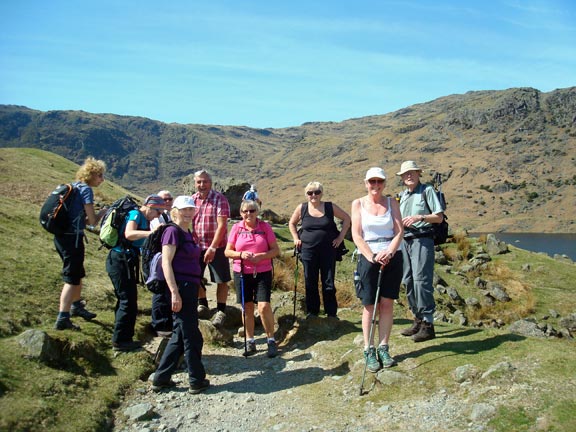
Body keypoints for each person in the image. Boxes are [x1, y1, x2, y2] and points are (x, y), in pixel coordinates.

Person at [152, 196, 210, 394]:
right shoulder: (171, 231)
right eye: (184, 209)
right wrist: (174, 292)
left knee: (179, 333)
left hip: (189, 286)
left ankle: (161, 377)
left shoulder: (187, 232)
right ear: (175, 210)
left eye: (191, 210)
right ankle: (196, 379)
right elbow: (166, 263)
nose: (188, 213)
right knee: (191, 334)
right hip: (180, 287)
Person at [351, 167, 403, 372]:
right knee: (369, 305)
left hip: (392, 257)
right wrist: (372, 256)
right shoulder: (358, 204)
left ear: (384, 183)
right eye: (371, 181)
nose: (375, 185)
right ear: (366, 183)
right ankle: (369, 349)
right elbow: (356, 234)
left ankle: (383, 347)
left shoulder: (392, 203)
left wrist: (389, 252)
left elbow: (399, 232)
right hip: (368, 257)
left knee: (387, 303)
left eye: (379, 181)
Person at [53, 157, 107, 330]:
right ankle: (63, 317)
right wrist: (103, 213)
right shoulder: (85, 190)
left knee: (77, 273)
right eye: (99, 175)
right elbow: (91, 221)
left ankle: (77, 306)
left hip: (61, 236)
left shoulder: (72, 187)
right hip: (72, 239)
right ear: (91, 175)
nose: (102, 179)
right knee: (71, 278)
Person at [106, 194, 165, 352]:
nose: (158, 216)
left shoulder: (144, 219)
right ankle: (121, 341)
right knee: (127, 300)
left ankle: (123, 336)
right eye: (158, 212)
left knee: (127, 299)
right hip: (119, 260)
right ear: (151, 207)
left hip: (126, 260)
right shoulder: (136, 214)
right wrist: (152, 233)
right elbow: (129, 234)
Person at [397, 161, 445, 342]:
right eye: (405, 174)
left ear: (418, 174)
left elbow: (439, 217)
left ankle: (428, 324)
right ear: (402, 178)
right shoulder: (402, 196)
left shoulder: (427, 191)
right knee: (408, 280)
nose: (409, 176)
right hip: (405, 241)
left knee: (420, 280)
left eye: (412, 173)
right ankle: (417, 319)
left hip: (422, 239)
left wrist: (420, 217)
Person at [225, 200, 280, 357]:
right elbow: (227, 252)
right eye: (245, 211)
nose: (248, 214)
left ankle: (271, 340)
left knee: (263, 306)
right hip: (242, 272)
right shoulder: (236, 228)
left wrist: (262, 256)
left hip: (263, 271)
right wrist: (240, 255)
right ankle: (250, 341)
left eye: (252, 210)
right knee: (247, 307)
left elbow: (275, 250)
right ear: (241, 213)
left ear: (257, 211)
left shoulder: (265, 227)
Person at [288, 181, 350, 319]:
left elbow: (347, 218)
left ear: (322, 193)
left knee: (328, 281)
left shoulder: (330, 207)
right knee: (310, 280)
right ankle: (312, 312)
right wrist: (295, 238)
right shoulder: (302, 208)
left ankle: (331, 313)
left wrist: (340, 238)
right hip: (307, 250)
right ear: (306, 195)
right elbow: (292, 223)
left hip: (328, 250)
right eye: (310, 193)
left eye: (317, 192)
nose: (313, 195)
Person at [191, 170, 232, 327]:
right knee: (195, 276)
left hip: (217, 247)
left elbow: (222, 225)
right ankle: (203, 305)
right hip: (197, 247)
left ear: (211, 183)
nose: (202, 185)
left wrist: (213, 247)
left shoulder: (219, 199)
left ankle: (221, 310)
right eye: (199, 182)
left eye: (205, 182)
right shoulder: (192, 200)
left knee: (221, 279)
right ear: (195, 183)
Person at [150, 189, 174, 337]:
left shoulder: (168, 216)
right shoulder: (156, 218)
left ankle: (167, 322)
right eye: (163, 199)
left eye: (169, 199)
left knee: (167, 289)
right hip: (158, 257)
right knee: (159, 290)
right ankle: (159, 324)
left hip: (167, 256)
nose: (167, 202)